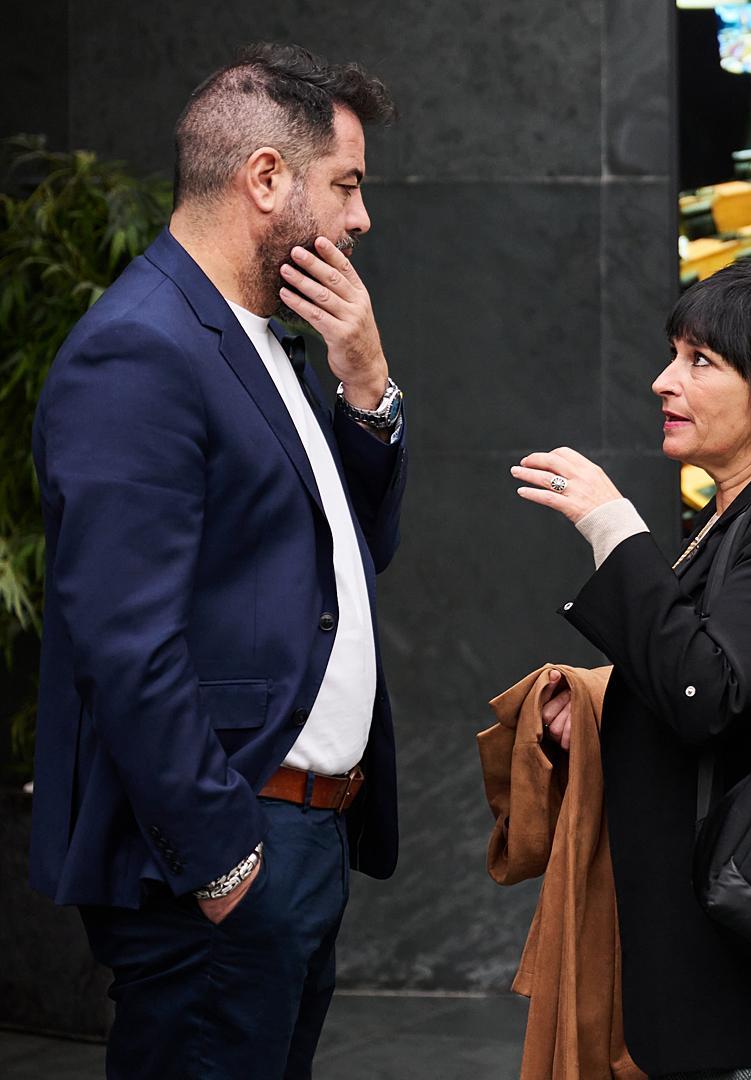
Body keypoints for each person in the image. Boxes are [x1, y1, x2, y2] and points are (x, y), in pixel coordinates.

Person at [29, 43, 405, 1079]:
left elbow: (347, 563)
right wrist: (224, 859)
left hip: (297, 840)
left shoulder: (259, 341)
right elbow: (125, 638)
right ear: (267, 179)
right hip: (223, 853)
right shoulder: (141, 349)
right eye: (347, 186)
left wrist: (367, 387)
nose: (360, 219)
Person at [511, 258, 751, 1076]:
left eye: (701, 361)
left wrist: (612, 526)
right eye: (673, 353)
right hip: (723, 990)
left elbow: (705, 692)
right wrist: (594, 701)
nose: (664, 381)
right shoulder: (740, 518)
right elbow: (700, 678)